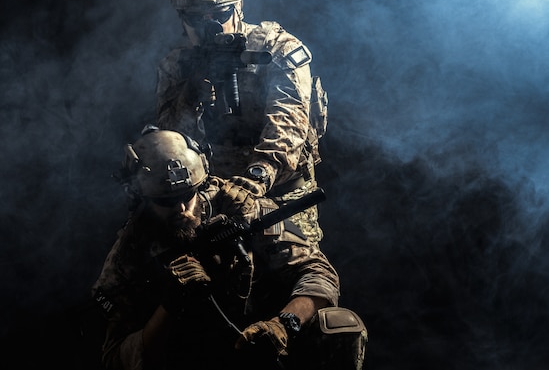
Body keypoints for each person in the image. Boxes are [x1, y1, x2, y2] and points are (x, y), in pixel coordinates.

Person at [91, 127, 367, 370]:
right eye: (167, 202)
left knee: (340, 325)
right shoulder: (130, 251)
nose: (182, 210)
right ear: (141, 199)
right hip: (194, 355)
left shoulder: (241, 208)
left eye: (188, 195)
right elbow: (113, 357)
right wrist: (169, 306)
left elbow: (317, 272)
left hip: (261, 341)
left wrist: (283, 325)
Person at [155, 0, 328, 244]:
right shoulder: (176, 65)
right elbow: (169, 143)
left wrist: (256, 179)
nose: (210, 26)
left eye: (220, 13)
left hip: (280, 195)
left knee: (296, 273)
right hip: (214, 198)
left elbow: (288, 126)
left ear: (238, 8)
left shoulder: (277, 48)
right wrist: (189, 98)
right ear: (181, 19)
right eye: (196, 19)